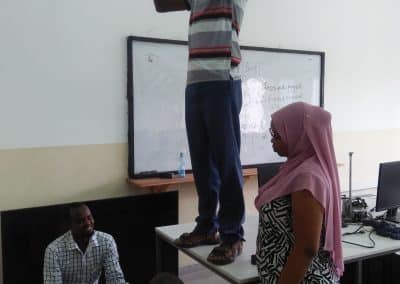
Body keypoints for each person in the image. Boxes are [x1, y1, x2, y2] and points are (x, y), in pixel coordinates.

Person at [153, 0, 248, 265]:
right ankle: (207, 226)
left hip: (222, 79)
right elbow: (161, 5)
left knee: (227, 162)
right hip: (195, 82)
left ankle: (232, 235)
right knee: (202, 163)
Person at [254, 102, 343, 283]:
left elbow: (307, 248)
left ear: (299, 134)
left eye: (277, 134)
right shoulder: (296, 169)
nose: (272, 139)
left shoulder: (307, 177)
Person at [43, 203, 126, 283]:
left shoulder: (107, 241)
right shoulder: (53, 250)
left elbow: (115, 279)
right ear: (69, 224)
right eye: (80, 221)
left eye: (89, 218)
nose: (88, 223)